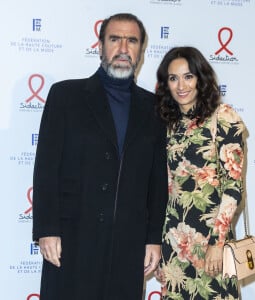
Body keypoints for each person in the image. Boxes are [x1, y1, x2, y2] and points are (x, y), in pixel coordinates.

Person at [32, 13, 168, 300]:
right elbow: (46, 168)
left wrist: (153, 238)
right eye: (115, 39)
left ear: (140, 50)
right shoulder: (65, 96)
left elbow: (156, 182)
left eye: (132, 40)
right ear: (100, 45)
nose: (123, 48)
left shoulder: (153, 108)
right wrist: (47, 229)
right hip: (72, 238)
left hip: (127, 244)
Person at [155, 46, 245, 299]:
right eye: (173, 78)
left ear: (200, 79)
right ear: (166, 84)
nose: (181, 85)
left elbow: (232, 188)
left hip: (211, 243)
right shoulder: (166, 125)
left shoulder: (224, 117)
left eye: (188, 76)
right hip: (173, 243)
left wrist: (217, 243)